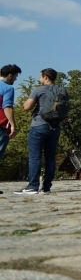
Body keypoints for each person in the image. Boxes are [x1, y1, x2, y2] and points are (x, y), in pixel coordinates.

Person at [14, 68, 68, 195]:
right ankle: (46, 187)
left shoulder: (38, 90)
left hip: (39, 125)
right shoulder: (62, 90)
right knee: (50, 158)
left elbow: (27, 107)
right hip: (55, 127)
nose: (40, 79)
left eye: (40, 77)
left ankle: (33, 186)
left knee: (35, 157)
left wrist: (25, 102)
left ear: (46, 77)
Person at [0, 64, 22, 195]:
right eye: (15, 76)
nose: (15, 79)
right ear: (10, 75)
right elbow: (7, 107)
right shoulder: (8, 88)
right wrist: (13, 124)